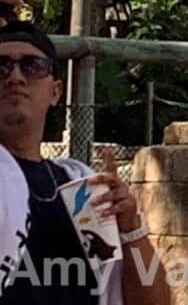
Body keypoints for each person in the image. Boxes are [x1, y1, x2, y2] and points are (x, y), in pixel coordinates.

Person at [0, 20, 169, 305]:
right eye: (0, 66)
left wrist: (130, 230)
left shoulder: (80, 187)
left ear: (55, 92)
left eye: (32, 66)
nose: (15, 76)